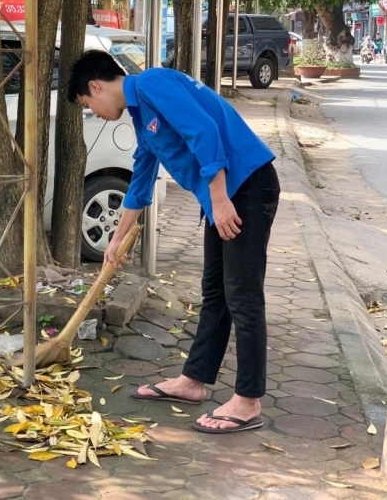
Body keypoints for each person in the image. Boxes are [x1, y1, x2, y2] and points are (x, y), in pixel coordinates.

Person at [68, 50, 280, 434]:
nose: (95, 113)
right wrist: (117, 240)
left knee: (243, 295)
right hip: (225, 195)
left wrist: (218, 197)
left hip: (244, 188)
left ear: (95, 87)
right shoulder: (140, 113)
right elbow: (141, 179)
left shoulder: (151, 83)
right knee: (215, 291)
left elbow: (204, 131)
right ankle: (193, 381)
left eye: (88, 104)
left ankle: (248, 400)